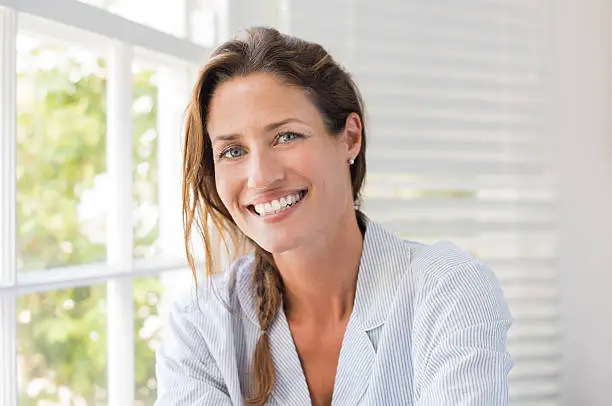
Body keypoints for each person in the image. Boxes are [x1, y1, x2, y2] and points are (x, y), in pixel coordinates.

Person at [155, 27, 513, 406]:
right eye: (232, 151)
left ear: (350, 138)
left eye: (286, 137)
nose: (261, 176)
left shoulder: (450, 291)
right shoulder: (200, 325)